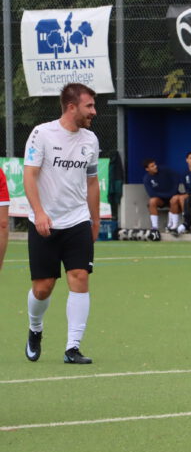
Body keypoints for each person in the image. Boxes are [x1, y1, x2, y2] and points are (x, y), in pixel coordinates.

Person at [23, 82, 101, 365]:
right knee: (43, 287)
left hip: (77, 220)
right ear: (71, 107)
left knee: (79, 276)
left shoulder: (90, 140)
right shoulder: (41, 133)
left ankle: (72, 348)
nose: (94, 111)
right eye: (89, 106)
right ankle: (35, 328)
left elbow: (92, 182)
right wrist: (39, 213)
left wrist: (95, 219)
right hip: (44, 222)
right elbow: (29, 175)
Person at [141, 158, 180, 233]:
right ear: (147, 169)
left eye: (155, 165)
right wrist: (168, 195)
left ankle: (173, 226)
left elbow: (176, 177)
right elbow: (152, 194)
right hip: (162, 199)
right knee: (152, 201)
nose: (155, 167)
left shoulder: (164, 170)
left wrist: (173, 191)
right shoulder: (146, 178)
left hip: (173, 196)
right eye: (152, 166)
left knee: (174, 199)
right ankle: (155, 227)